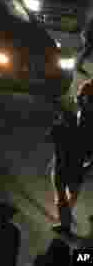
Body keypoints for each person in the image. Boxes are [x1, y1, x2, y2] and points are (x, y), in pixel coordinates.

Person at [48, 79, 93, 235]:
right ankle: (65, 220)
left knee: (63, 194)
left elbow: (57, 137)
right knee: (70, 193)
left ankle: (65, 223)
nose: (78, 97)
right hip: (77, 163)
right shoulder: (82, 116)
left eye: (82, 96)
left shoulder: (83, 118)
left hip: (68, 162)